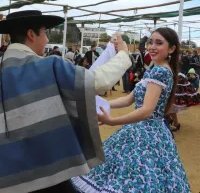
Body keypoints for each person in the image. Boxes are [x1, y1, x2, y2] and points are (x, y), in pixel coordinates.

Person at [0, 10, 132, 193]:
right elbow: (96, 82)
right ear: (31, 34)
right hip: (46, 170)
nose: (46, 40)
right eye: (45, 33)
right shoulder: (48, 66)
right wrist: (124, 54)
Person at [72, 27, 191, 192]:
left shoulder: (160, 72)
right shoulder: (154, 70)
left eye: (159, 43)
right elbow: (129, 99)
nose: (152, 46)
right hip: (144, 130)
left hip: (148, 133)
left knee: (137, 176)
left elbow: (147, 111)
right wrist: (100, 104)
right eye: (151, 42)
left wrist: (112, 121)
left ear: (171, 49)